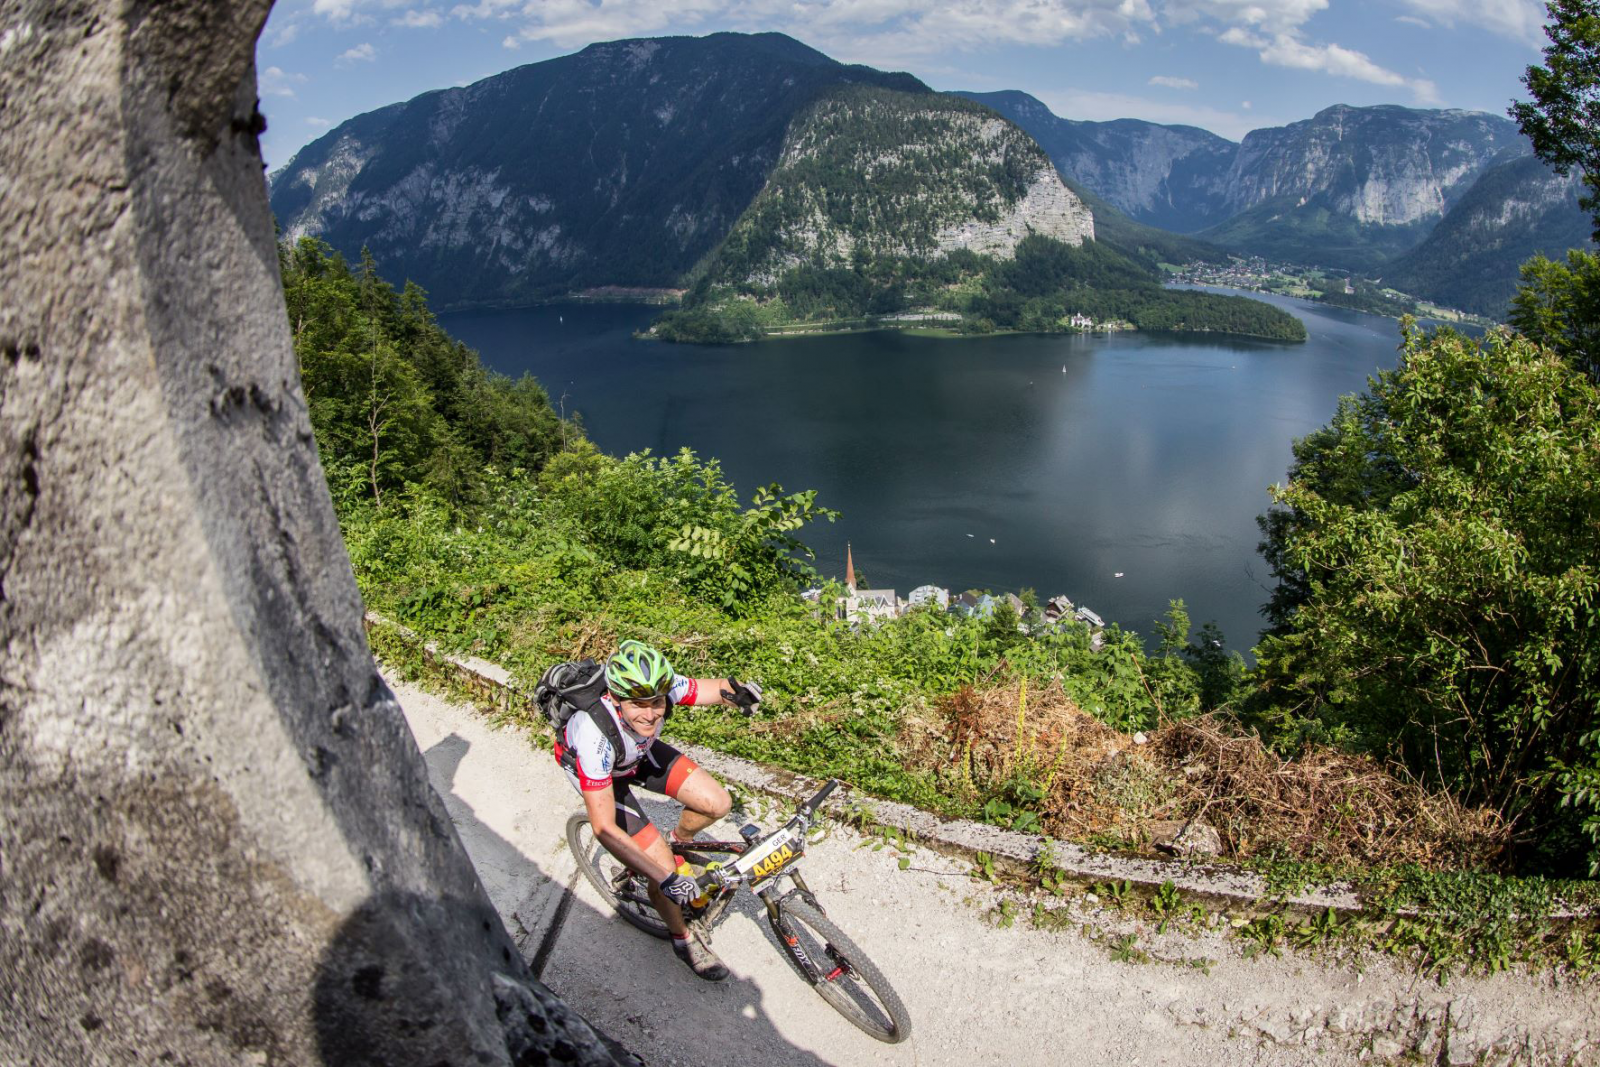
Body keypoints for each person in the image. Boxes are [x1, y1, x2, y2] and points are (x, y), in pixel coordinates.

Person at [554, 639, 762, 981]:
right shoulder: (593, 738)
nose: (650, 714)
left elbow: (709, 689)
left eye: (656, 703)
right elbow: (604, 828)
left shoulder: (659, 687)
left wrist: (738, 692)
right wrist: (665, 877)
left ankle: (678, 842)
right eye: (638, 704)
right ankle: (683, 939)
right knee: (664, 871)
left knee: (718, 803)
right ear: (615, 698)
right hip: (605, 773)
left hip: (636, 753)